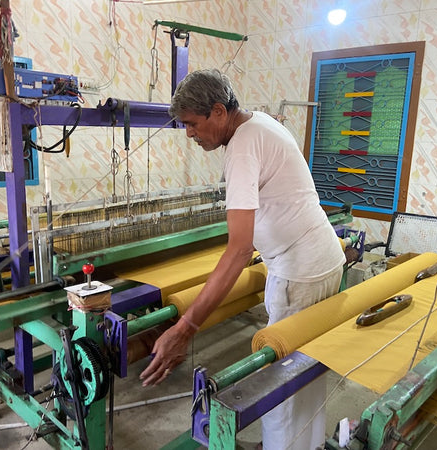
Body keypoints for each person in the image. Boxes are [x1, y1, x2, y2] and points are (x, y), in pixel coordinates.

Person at [139, 68, 346, 449]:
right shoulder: (261, 122)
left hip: (298, 275)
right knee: (308, 371)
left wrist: (185, 328)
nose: (189, 134)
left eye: (191, 124)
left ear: (218, 111)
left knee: (282, 381)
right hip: (323, 260)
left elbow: (239, 250)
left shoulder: (242, 150)